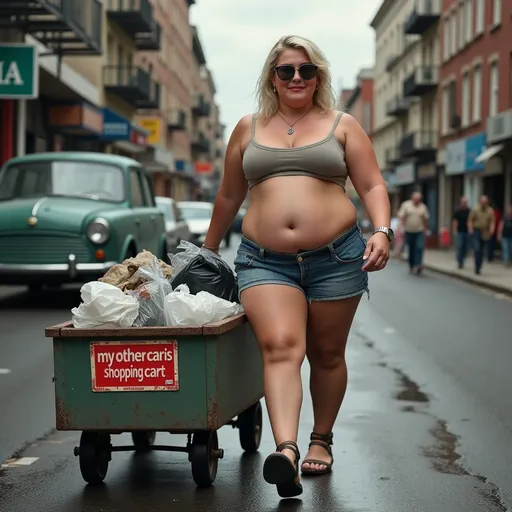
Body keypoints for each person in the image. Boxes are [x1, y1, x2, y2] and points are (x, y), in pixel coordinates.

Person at [202, 35, 391, 498]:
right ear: (273, 77)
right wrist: (206, 254)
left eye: (307, 70)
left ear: (319, 76)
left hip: (338, 257)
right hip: (264, 262)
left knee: (326, 354)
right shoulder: (248, 127)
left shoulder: (342, 125)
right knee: (283, 346)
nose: (297, 78)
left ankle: (320, 440)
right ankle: (285, 450)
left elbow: (371, 186)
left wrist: (383, 230)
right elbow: (229, 196)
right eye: (287, 71)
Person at [398, 191, 429, 275]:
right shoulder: (406, 205)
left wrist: (426, 229)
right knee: (411, 249)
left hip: (419, 231)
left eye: (418, 199)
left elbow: (425, 219)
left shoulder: (423, 207)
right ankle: (411, 265)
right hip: (409, 231)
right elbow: (401, 217)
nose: (417, 201)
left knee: (419, 247)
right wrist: (400, 228)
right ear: (412, 198)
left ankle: (418, 265)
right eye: (416, 199)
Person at [468, 195, 495, 275]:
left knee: (482, 250)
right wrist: (470, 229)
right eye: (482, 202)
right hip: (476, 231)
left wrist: (491, 230)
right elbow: (470, 220)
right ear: (480, 202)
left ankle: (479, 266)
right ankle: (476, 266)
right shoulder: (475, 209)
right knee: (477, 249)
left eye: (485, 202)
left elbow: (492, 221)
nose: (484, 204)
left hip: (485, 231)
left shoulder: (490, 210)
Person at [452, 196, 470, 269]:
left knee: (465, 247)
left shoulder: (469, 211)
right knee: (459, 246)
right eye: (463, 202)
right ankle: (460, 261)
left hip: (467, 231)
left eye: (465, 202)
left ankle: (463, 258)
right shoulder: (458, 211)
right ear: (460, 203)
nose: (464, 204)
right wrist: (454, 230)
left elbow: (470, 221)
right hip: (459, 231)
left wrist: (470, 229)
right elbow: (455, 221)